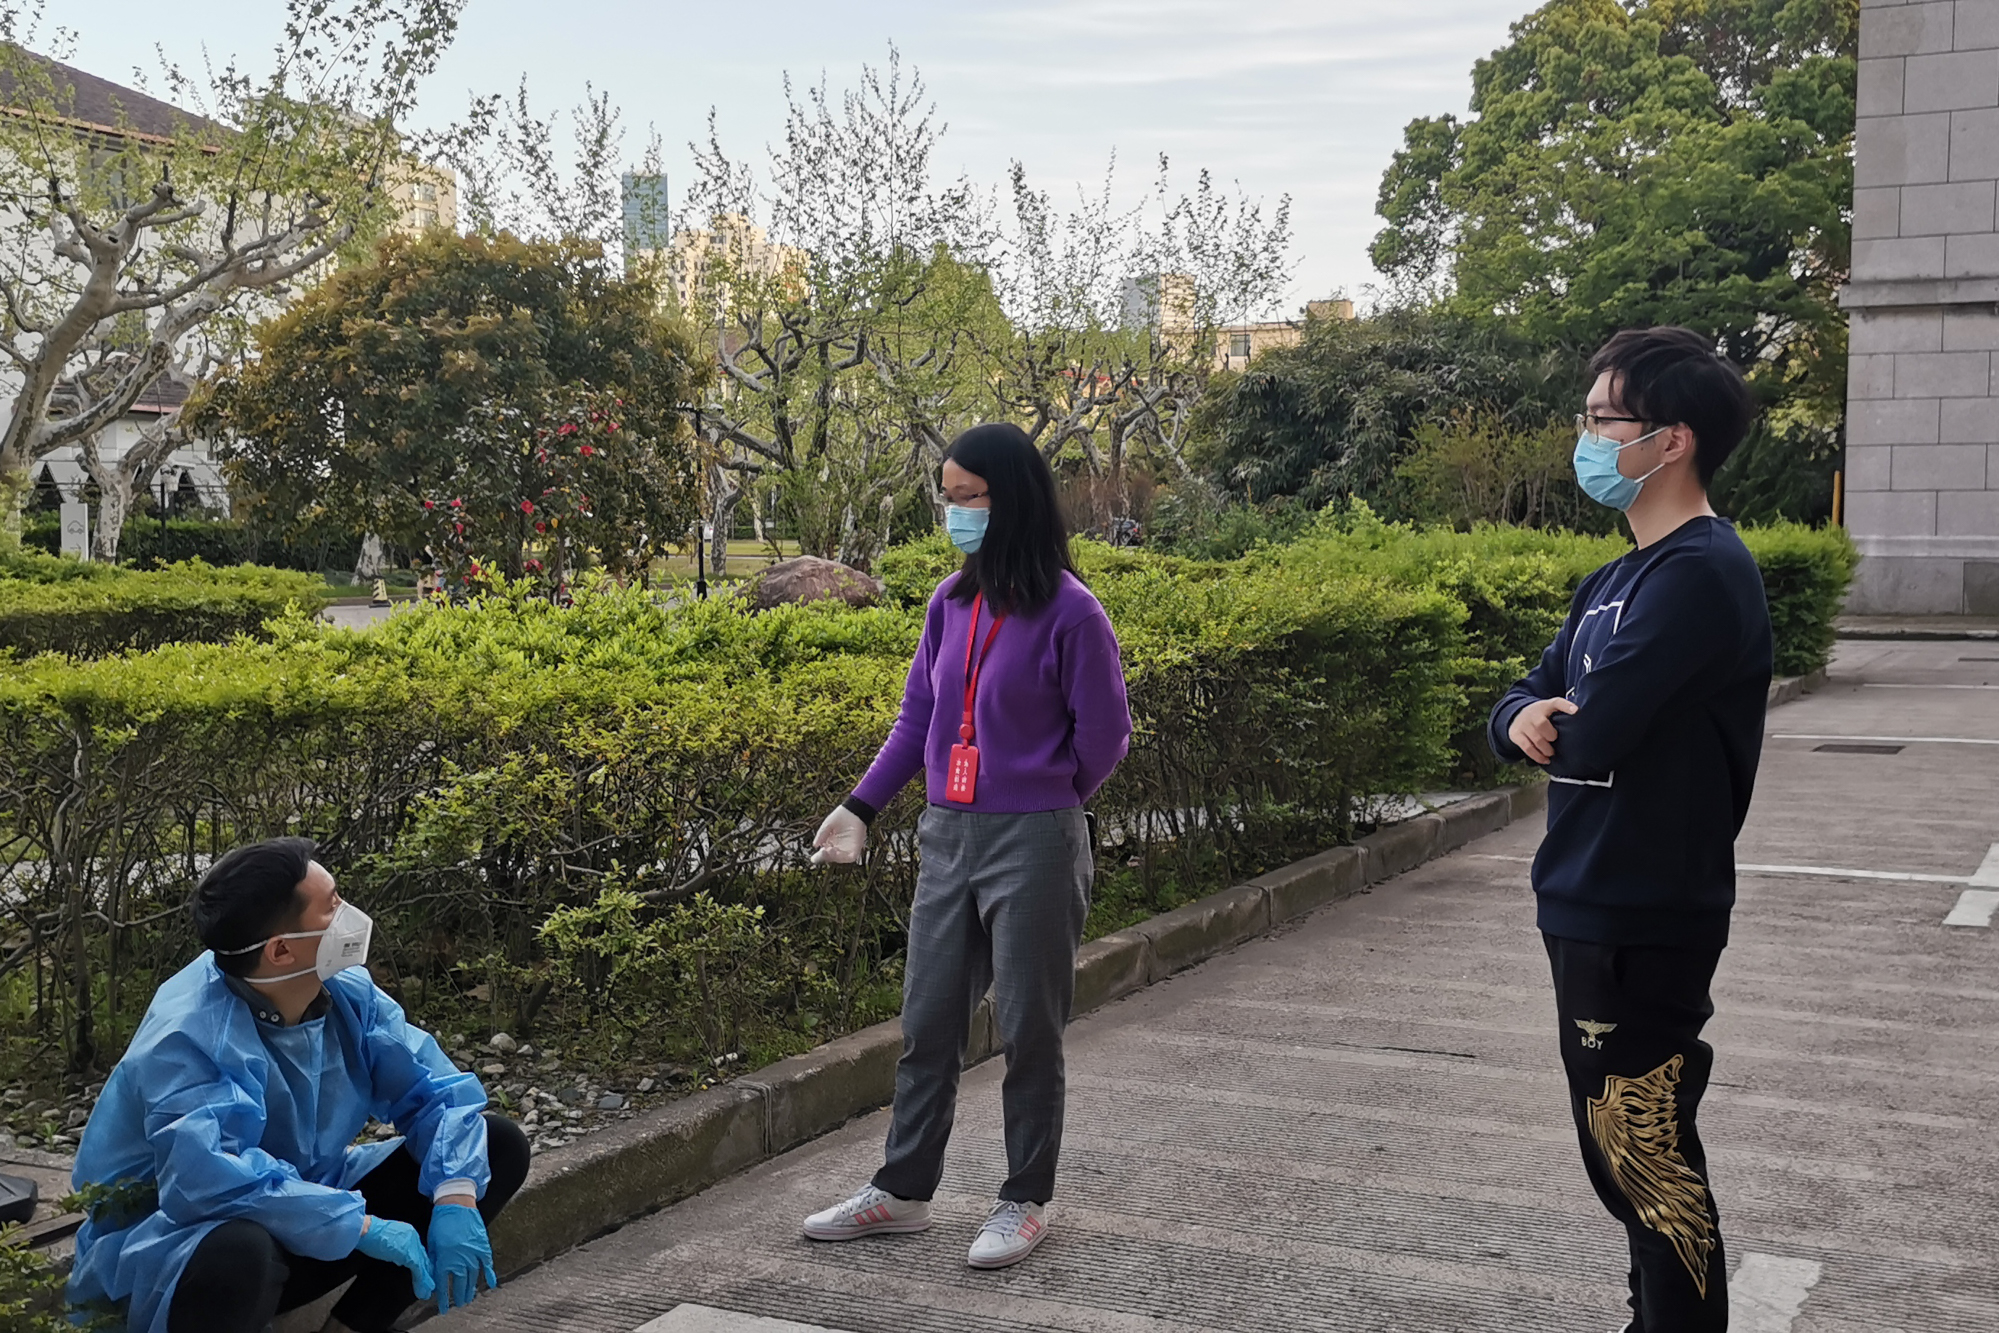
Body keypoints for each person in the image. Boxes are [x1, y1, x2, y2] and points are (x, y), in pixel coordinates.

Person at [1489, 326, 1771, 1333]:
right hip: (1584, 895)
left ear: (1671, 439)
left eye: (1603, 419)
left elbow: (1592, 728)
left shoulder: (1701, 573)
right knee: (1620, 1156)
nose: (1588, 437)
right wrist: (1521, 714)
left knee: (1644, 1154)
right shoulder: (1616, 578)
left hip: (1643, 907)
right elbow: (1524, 697)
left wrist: (1551, 719)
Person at [802, 422, 1132, 1270]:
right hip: (946, 834)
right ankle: (903, 1190)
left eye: (968, 498)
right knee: (928, 1024)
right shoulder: (949, 602)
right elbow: (918, 719)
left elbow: (1105, 736)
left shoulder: (1072, 611)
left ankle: (1025, 1197)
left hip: (1034, 839)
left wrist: (1044, 797)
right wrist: (858, 808)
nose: (954, 513)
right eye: (946, 498)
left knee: (1028, 1029)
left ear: (1009, 499)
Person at [67, 839, 530, 1333]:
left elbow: (434, 1091)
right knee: (241, 1250)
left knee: (495, 1143)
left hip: (305, 1203)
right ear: (281, 950)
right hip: (174, 1249)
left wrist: (456, 1196)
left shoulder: (342, 989)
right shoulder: (187, 1036)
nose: (349, 915)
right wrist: (359, 1225)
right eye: (332, 906)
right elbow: (208, 1183)